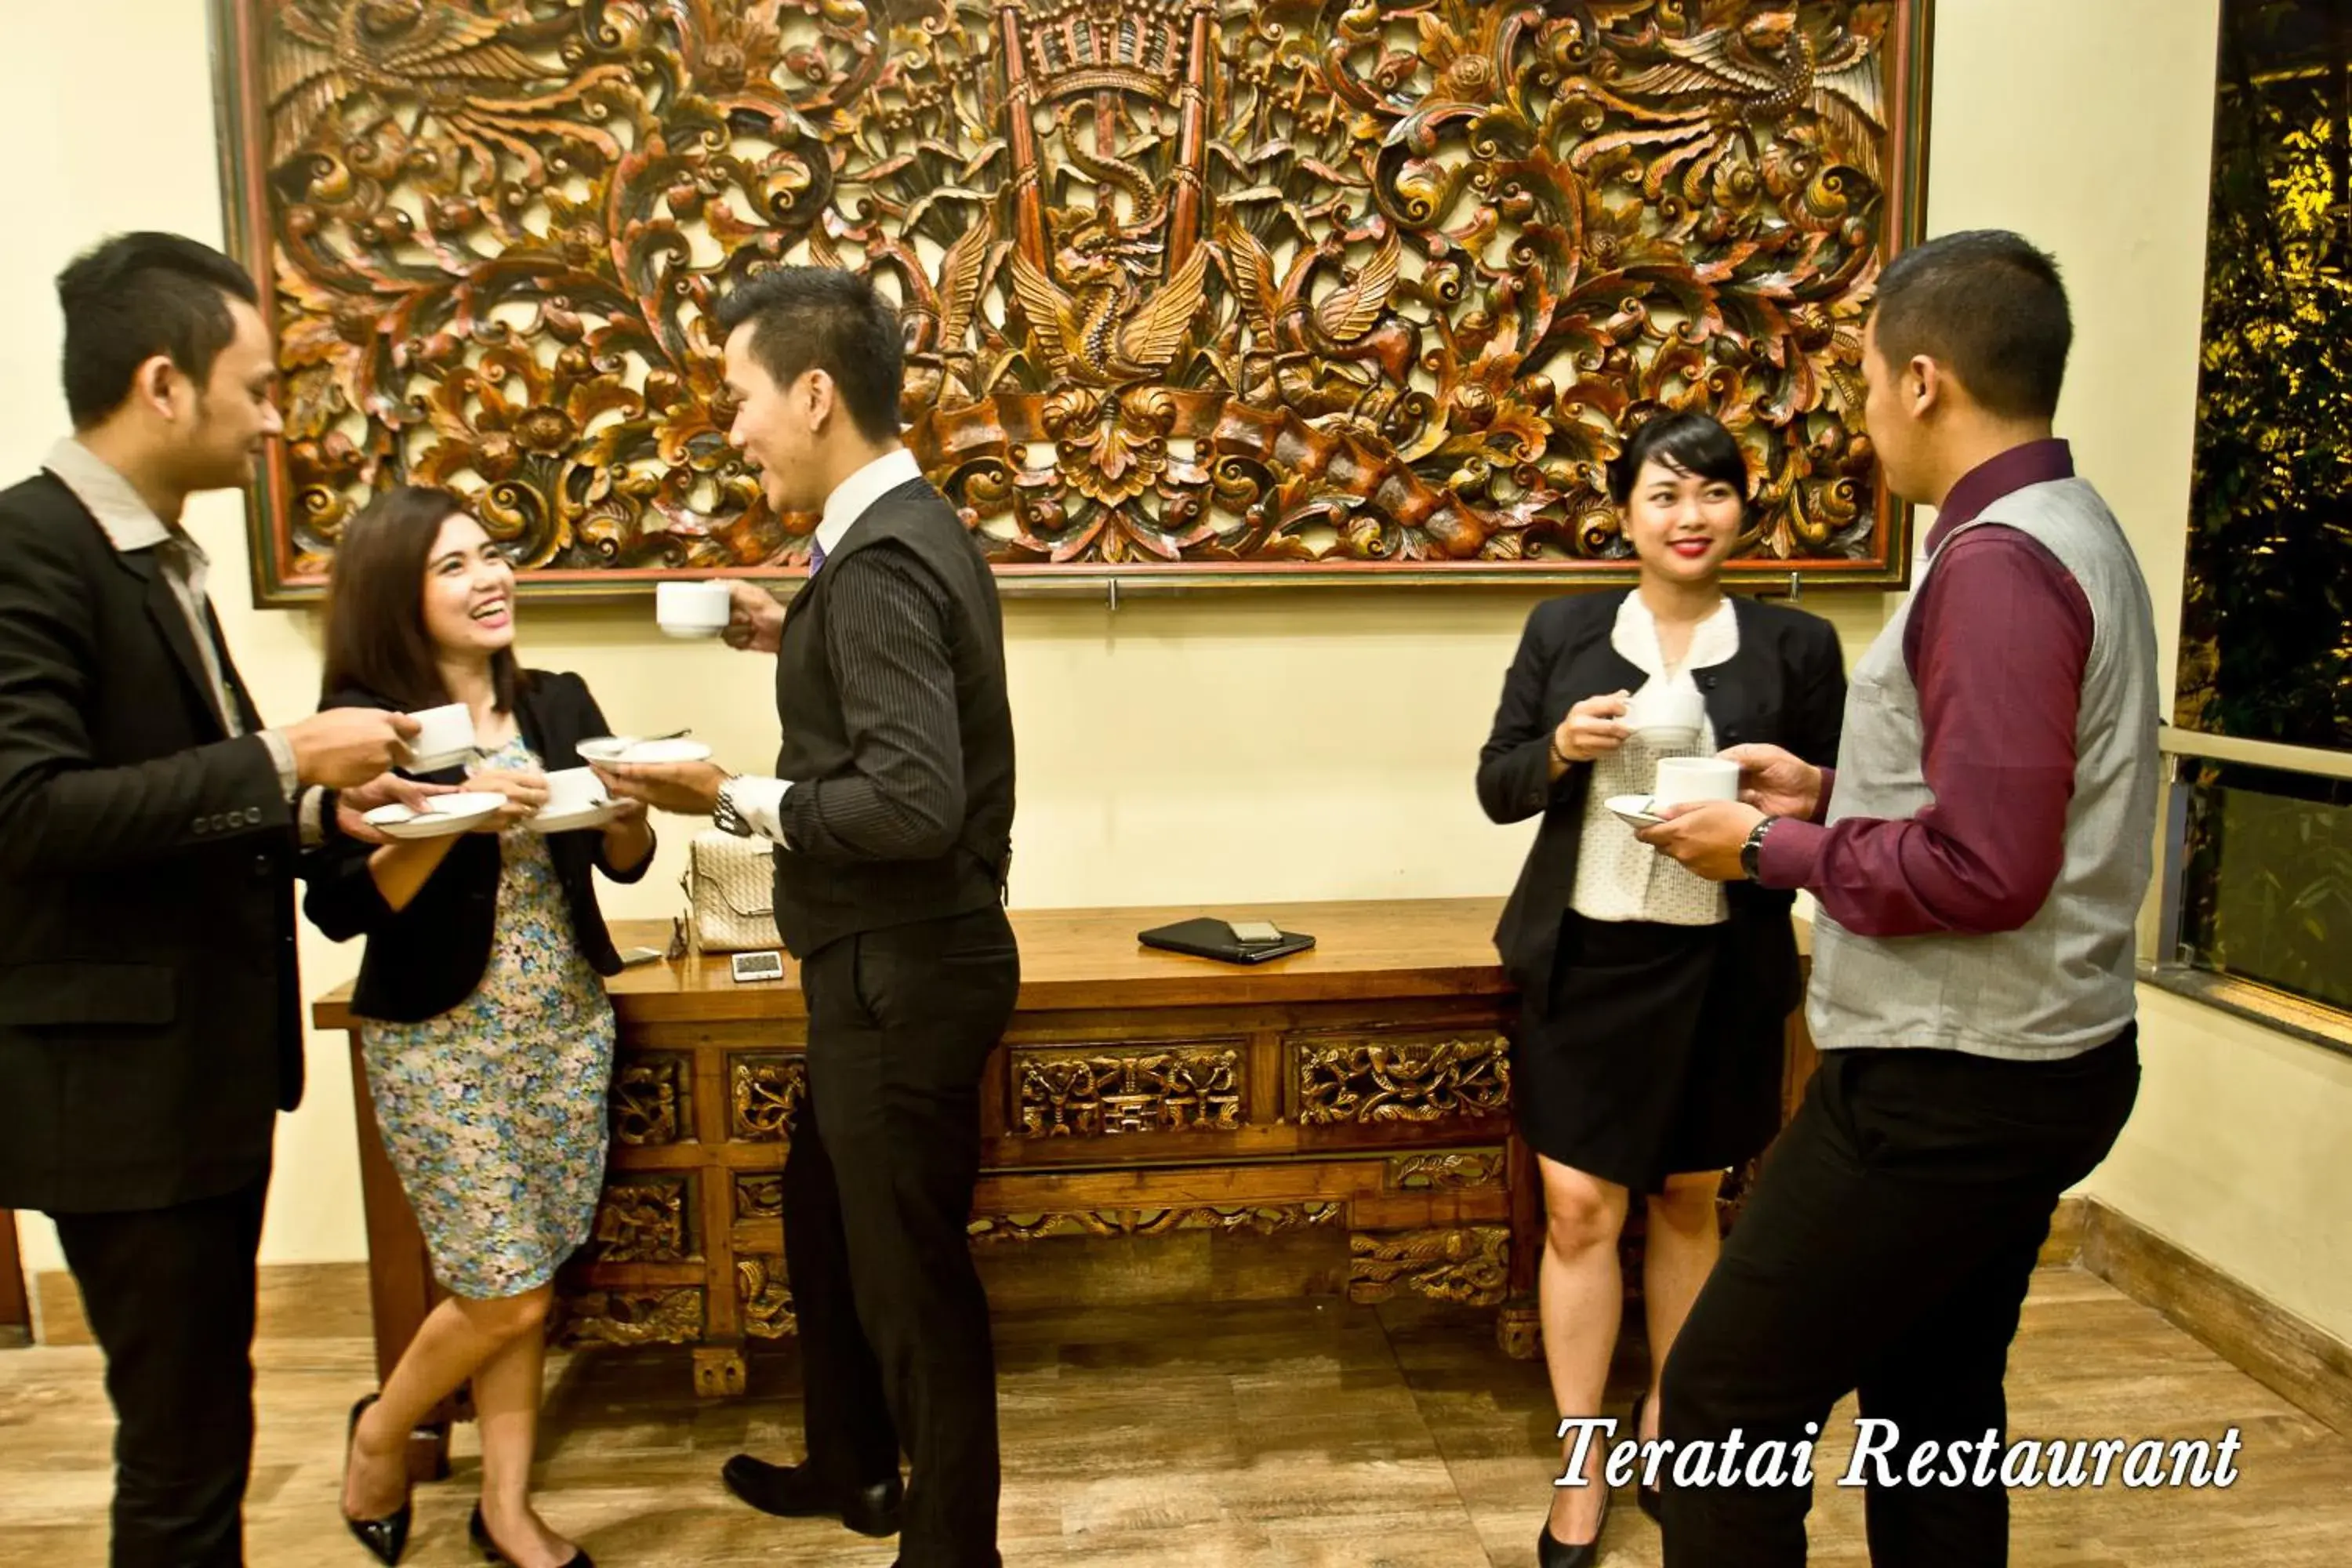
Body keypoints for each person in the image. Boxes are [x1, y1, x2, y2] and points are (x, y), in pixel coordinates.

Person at [1637, 230, 2156, 1567]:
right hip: (2039, 1058)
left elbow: (1990, 870)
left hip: (1952, 1082)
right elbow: (2008, 801)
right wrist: (1825, 797)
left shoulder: (1994, 566)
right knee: (1934, 1408)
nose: (1865, 416)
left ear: (1923, 382)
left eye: (1866, 383)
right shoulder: (2066, 528)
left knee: (1715, 1412)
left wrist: (1765, 851)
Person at [0, 232, 422, 1567]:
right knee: (178, 1453)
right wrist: (282, 757)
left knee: (203, 1426)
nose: (271, 419)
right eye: (256, 385)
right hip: (117, 1087)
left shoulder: (156, 557)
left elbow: (178, 796)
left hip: (198, 1079)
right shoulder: (28, 551)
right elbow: (27, 814)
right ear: (163, 384)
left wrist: (317, 812)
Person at [597, 266, 1019, 1568]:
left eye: (740, 398)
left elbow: (909, 804)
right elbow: (899, 698)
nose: (735, 431)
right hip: (881, 956)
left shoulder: (880, 561)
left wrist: (725, 793)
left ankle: (955, 1549)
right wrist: (800, 628)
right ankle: (857, 1464)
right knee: (825, 1210)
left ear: (816, 391)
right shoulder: (884, 547)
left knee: (910, 1276)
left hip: (903, 961)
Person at [1479, 411, 1846, 1567]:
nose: (1691, 517)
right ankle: (1582, 1463)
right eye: (1664, 495)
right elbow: (1497, 786)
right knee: (1581, 1211)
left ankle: (1670, 1433)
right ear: (1625, 513)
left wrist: (1806, 789)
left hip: (1719, 968)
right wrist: (1560, 751)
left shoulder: (1796, 646)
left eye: (1714, 493)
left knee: (1689, 1203)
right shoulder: (1568, 633)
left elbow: (1845, 800)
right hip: (1589, 963)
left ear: (1744, 508)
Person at [300, 486, 656, 1568]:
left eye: (493, 554)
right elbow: (338, 905)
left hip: (562, 1022)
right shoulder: (369, 727)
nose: (489, 578)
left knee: (519, 1281)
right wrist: (450, 822)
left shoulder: (557, 698)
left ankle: (506, 1510)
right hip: (438, 1038)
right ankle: (380, 1434)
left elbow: (620, 859)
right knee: (507, 1290)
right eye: (453, 565)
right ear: (396, 596)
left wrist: (632, 811)